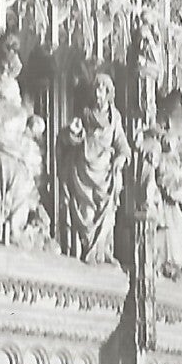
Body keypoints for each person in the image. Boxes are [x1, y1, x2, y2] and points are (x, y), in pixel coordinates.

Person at [0, 34, 47, 246]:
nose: (6, 69)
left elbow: (20, 109)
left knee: (23, 179)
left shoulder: (14, 87)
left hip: (14, 140)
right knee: (1, 176)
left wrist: (30, 120)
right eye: (3, 65)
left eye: (10, 65)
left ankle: (13, 225)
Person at [57, 72, 129, 264]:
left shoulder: (115, 117)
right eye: (96, 89)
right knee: (86, 212)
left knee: (108, 212)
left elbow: (121, 142)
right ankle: (86, 250)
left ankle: (103, 250)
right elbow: (73, 135)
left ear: (109, 93)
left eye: (103, 90)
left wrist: (121, 158)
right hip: (85, 167)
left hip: (106, 171)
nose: (98, 94)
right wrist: (75, 132)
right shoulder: (86, 113)